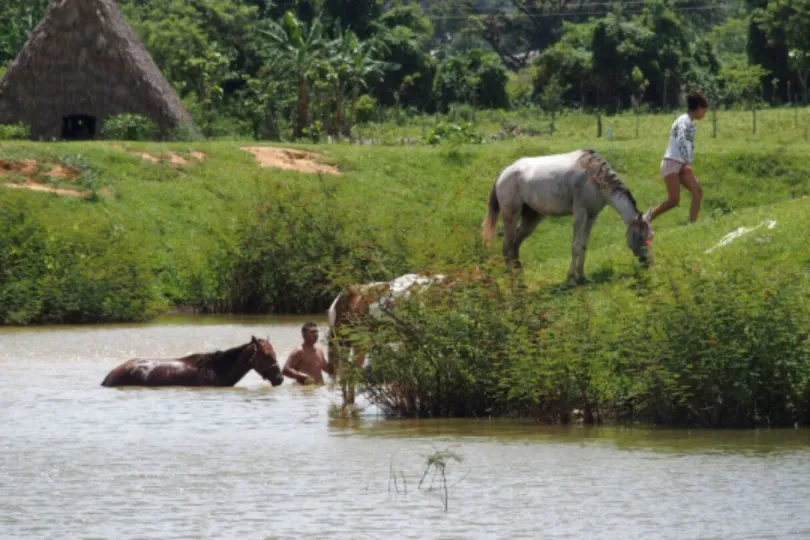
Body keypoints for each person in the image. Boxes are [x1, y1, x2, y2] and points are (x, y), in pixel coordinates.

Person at [650, 90, 708, 224]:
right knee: (674, 200)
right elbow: (681, 139)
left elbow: (689, 145)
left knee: (697, 191)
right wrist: (687, 161)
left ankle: (692, 224)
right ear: (698, 108)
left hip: (682, 165)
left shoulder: (691, 125)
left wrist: (688, 162)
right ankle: (647, 218)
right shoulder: (683, 120)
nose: (704, 114)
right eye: (704, 110)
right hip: (672, 162)